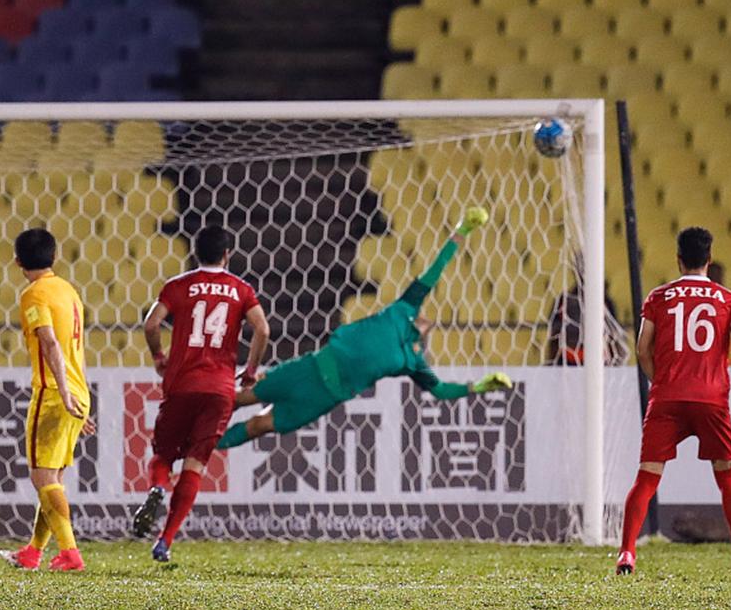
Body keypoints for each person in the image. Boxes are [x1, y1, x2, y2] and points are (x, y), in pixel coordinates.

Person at [217, 207, 512, 450]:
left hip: (324, 396)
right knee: (242, 396)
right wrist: (461, 232)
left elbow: (442, 391)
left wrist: (480, 386)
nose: (429, 319)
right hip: (311, 366)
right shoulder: (403, 309)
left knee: (259, 425)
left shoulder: (413, 361)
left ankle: (199, 449)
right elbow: (435, 270)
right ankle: (184, 423)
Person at [616, 227, 731, 576]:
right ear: (709, 259)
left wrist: (662, 383)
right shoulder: (728, 300)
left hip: (667, 398)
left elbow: (642, 349)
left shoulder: (659, 297)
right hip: (711, 399)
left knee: (647, 478)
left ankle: (626, 553)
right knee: (727, 475)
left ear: (678, 259)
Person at [131, 225, 270, 562]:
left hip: (182, 383)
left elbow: (151, 324)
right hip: (220, 389)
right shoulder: (241, 289)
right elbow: (262, 329)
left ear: (195, 254)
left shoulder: (178, 285)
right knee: (195, 463)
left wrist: (159, 357)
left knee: (163, 455)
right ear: (227, 255)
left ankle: (157, 487)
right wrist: (250, 372)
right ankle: (164, 541)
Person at [0, 228, 96, 573]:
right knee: (51, 476)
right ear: (53, 257)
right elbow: (77, 348)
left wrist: (65, 394)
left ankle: (70, 554)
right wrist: (80, 395)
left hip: (54, 393)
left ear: (17, 261)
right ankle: (33, 553)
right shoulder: (69, 292)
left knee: (43, 478)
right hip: (75, 389)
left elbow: (50, 343)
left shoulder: (33, 295)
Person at [547, 279, 625, 366]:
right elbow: (554, 335)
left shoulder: (605, 303)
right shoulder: (563, 301)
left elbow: (614, 335)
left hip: (599, 358)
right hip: (567, 357)